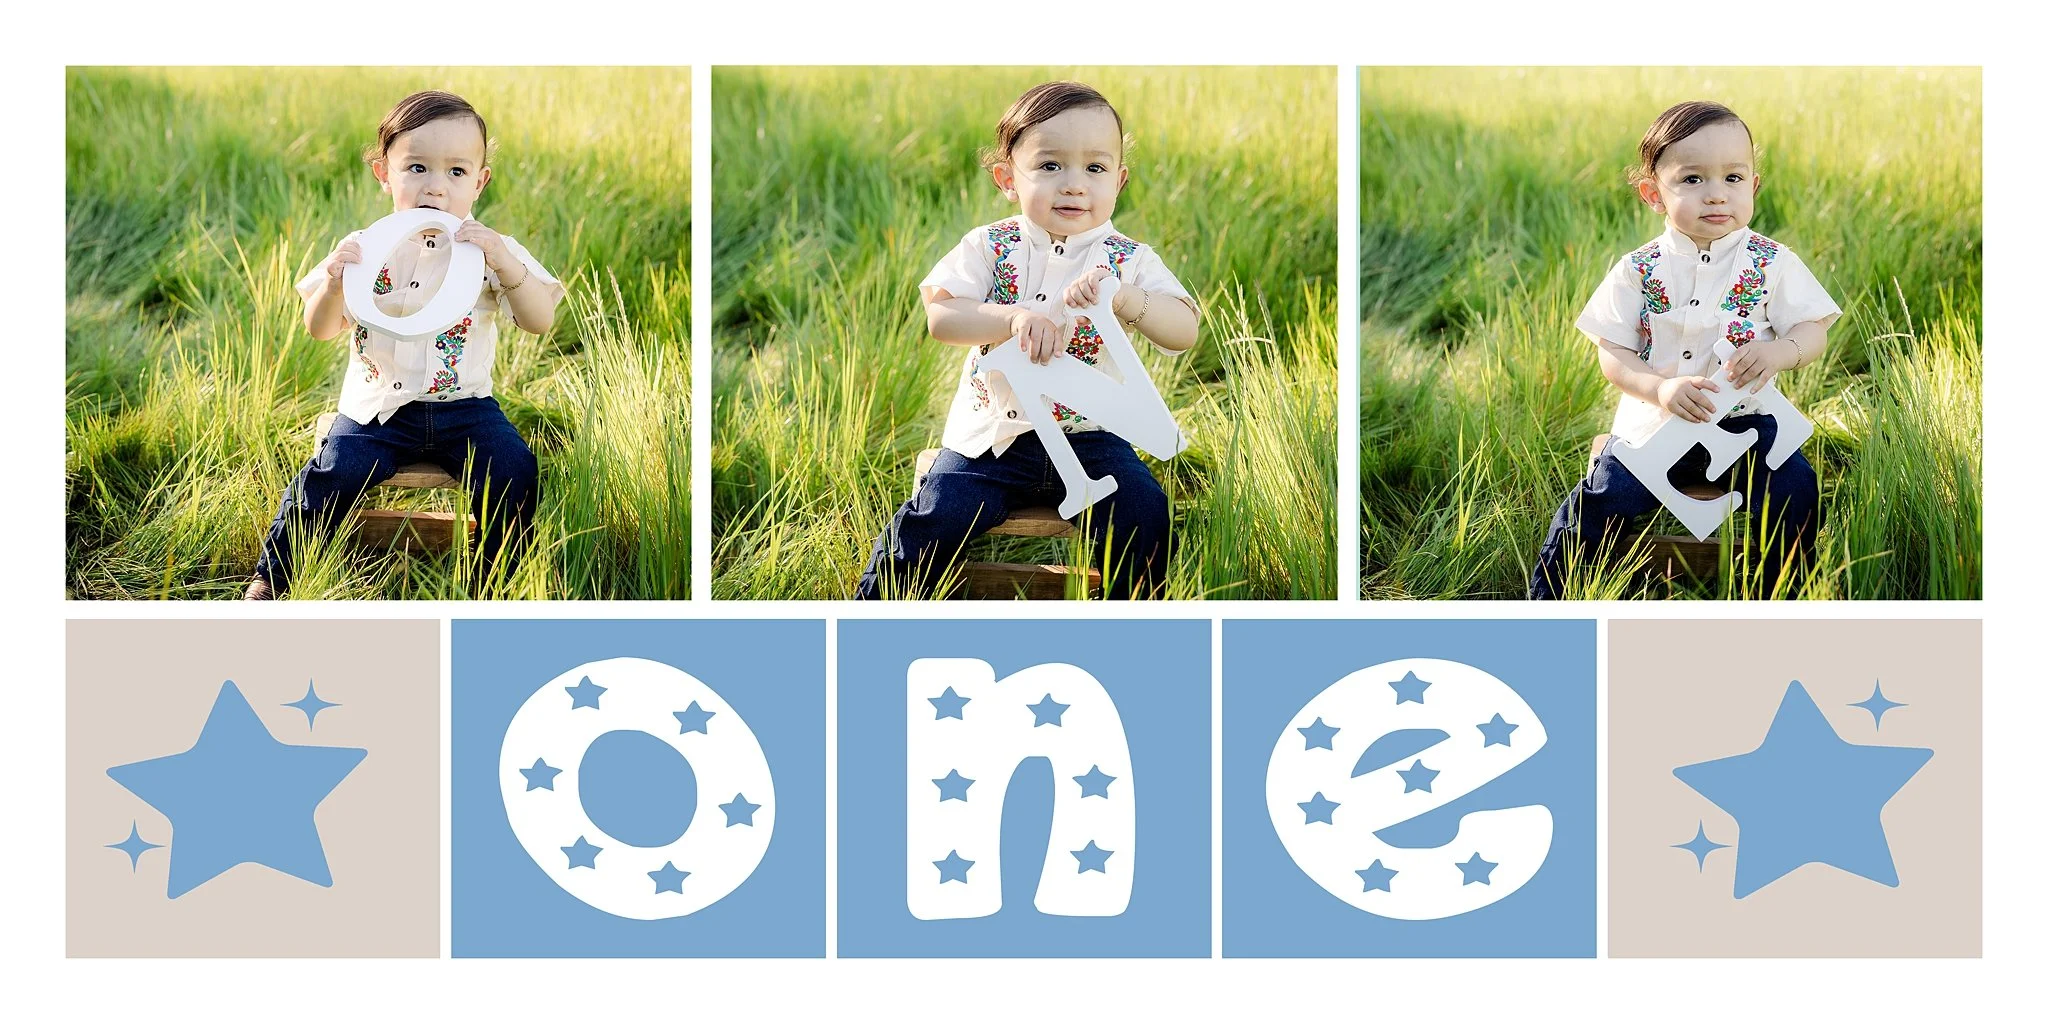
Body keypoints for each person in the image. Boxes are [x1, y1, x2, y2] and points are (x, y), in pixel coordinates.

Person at [856, 81, 1200, 599]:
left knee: (1141, 511)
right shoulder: (991, 246)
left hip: (1092, 437)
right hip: (993, 438)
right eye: (1050, 166)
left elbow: (1184, 329)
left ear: (1120, 181)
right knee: (940, 511)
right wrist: (1014, 318)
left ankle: (1136, 618)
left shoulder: (1127, 260)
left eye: (1096, 168)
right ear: (1007, 179)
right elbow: (942, 316)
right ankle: (879, 610)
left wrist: (1126, 299)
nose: (1074, 185)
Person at [245, 90, 563, 599]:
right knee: (332, 474)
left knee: (513, 470)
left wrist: (504, 263)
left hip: (465, 407)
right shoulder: (366, 248)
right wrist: (332, 282)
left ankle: (494, 577)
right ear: (384, 174)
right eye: (416, 167)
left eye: (456, 173)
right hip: (378, 409)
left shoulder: (489, 250)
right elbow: (321, 328)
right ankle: (273, 575)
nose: (436, 188)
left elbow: (539, 320)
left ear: (479, 182)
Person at [1528, 101, 1840, 600]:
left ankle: (1785, 595)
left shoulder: (1772, 262)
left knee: (1794, 488)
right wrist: (1659, 387)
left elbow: (1812, 329)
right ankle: (1548, 603)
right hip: (1655, 423)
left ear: (1754, 186)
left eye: (1733, 178)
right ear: (1654, 193)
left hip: (1747, 421)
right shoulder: (1639, 268)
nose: (1717, 194)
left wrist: (1780, 352)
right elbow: (1613, 351)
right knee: (1598, 501)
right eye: (1693, 180)